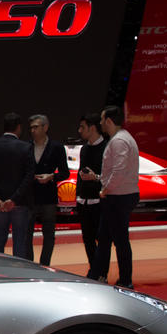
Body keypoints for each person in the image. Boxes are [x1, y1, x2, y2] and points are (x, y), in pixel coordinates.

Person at [87, 105, 139, 288]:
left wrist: (106, 189)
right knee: (106, 238)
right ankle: (97, 274)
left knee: (119, 240)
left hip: (118, 197)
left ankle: (125, 279)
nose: (100, 123)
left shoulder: (119, 141)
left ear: (108, 121)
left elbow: (119, 171)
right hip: (119, 195)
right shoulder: (122, 138)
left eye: (102, 120)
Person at [0, 112, 35, 259]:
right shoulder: (26, 147)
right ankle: (19, 271)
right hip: (19, 203)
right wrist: (14, 199)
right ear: (19, 127)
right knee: (19, 240)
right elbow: (29, 176)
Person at [27, 114, 69, 265]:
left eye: (36, 127)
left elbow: (65, 173)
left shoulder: (57, 147)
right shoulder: (27, 146)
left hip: (48, 197)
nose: (33, 130)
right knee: (26, 234)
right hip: (30, 196)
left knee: (49, 234)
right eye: (31, 127)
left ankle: (45, 265)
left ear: (45, 127)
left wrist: (51, 176)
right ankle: (29, 265)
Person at [76, 113, 107, 276]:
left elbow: (111, 175)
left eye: (83, 127)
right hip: (84, 201)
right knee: (87, 239)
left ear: (92, 128)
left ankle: (101, 272)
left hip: (100, 201)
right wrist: (78, 197)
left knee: (102, 240)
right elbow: (80, 174)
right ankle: (94, 270)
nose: (79, 130)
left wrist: (96, 177)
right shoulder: (84, 149)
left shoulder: (107, 148)